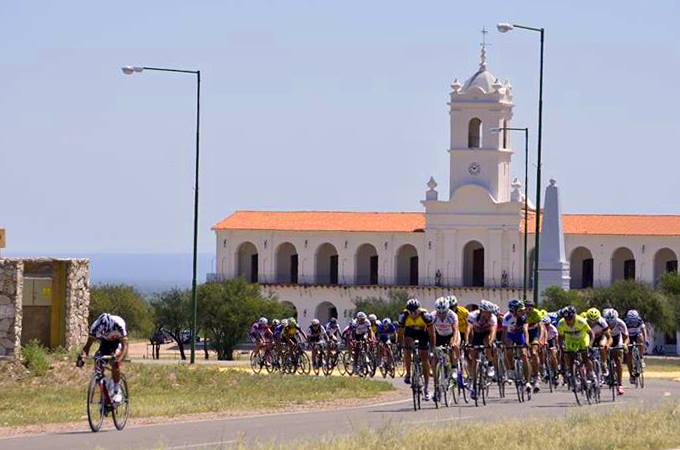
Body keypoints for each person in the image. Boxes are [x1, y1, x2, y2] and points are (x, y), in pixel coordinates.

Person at [77, 313, 129, 404]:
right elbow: (87, 347)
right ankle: (105, 392)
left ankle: (117, 390)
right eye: (104, 332)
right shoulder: (95, 327)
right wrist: (82, 358)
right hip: (105, 343)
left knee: (115, 360)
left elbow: (125, 346)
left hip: (118, 342)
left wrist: (119, 359)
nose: (106, 333)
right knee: (98, 360)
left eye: (108, 332)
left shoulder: (119, 324)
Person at [397, 298, 435, 400]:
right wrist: (399, 345)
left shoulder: (425, 316)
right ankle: (409, 373)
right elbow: (400, 333)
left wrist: (432, 347)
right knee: (407, 345)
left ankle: (426, 388)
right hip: (410, 332)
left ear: (419, 309)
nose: (413, 313)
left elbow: (431, 333)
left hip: (423, 333)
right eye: (410, 311)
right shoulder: (403, 316)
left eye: (415, 311)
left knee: (424, 357)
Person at [465, 299, 498, 399]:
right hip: (477, 335)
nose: (489, 314)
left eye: (490, 312)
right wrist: (467, 342)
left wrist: (491, 343)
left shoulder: (493, 318)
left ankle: (490, 364)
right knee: (474, 357)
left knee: (487, 342)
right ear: (482, 311)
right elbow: (468, 329)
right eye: (488, 312)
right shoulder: (472, 315)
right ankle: (474, 385)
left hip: (487, 334)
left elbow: (493, 332)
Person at [557, 306, 595, 382]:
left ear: (574, 316)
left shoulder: (581, 321)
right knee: (569, 356)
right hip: (570, 341)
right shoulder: (561, 323)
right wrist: (561, 347)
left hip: (582, 339)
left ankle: (591, 372)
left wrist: (590, 345)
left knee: (585, 357)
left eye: (570, 319)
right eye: (566, 319)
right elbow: (560, 337)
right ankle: (572, 374)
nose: (568, 321)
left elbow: (591, 333)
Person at [431, 297, 460, 394]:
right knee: (434, 358)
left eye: (444, 312)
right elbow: (431, 331)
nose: (441, 315)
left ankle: (454, 368)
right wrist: (432, 345)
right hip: (439, 335)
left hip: (451, 334)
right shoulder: (433, 315)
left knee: (453, 347)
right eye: (439, 312)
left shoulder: (452, 315)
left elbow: (455, 330)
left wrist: (454, 342)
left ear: (447, 310)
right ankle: (436, 386)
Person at [501, 299, 531, 391]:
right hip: (510, 335)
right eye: (520, 310)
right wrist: (505, 344)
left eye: (523, 310)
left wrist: (526, 342)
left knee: (524, 355)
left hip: (519, 335)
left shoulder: (523, 317)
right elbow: (505, 333)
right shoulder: (507, 317)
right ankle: (512, 369)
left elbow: (526, 330)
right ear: (513, 311)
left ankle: (527, 381)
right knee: (508, 350)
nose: (522, 312)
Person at [603, 308, 629, 395]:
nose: (610, 324)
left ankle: (620, 384)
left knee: (618, 361)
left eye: (612, 323)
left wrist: (625, 344)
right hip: (606, 338)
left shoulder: (621, 323)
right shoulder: (603, 323)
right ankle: (604, 367)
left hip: (618, 339)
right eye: (608, 322)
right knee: (602, 348)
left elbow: (626, 337)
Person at [524, 300, 546, 392]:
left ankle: (537, 376)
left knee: (533, 353)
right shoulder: (522, 314)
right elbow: (524, 328)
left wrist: (541, 339)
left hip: (534, 333)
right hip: (524, 333)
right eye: (527, 307)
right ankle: (525, 377)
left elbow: (541, 327)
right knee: (524, 354)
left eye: (531, 308)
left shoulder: (536, 313)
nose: (529, 309)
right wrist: (526, 341)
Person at [585, 307, 611, 378]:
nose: (593, 322)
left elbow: (609, 336)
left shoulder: (602, 322)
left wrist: (607, 344)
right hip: (590, 338)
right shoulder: (584, 322)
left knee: (602, 345)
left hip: (601, 336)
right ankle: (589, 370)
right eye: (591, 321)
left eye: (595, 320)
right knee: (586, 351)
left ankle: (604, 364)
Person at [624, 309, 647, 384]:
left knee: (640, 337)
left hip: (637, 335)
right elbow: (623, 334)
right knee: (628, 356)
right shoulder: (625, 322)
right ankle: (631, 375)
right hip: (628, 337)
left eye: (634, 321)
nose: (633, 323)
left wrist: (645, 341)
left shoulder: (640, 321)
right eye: (631, 321)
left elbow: (644, 331)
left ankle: (641, 357)